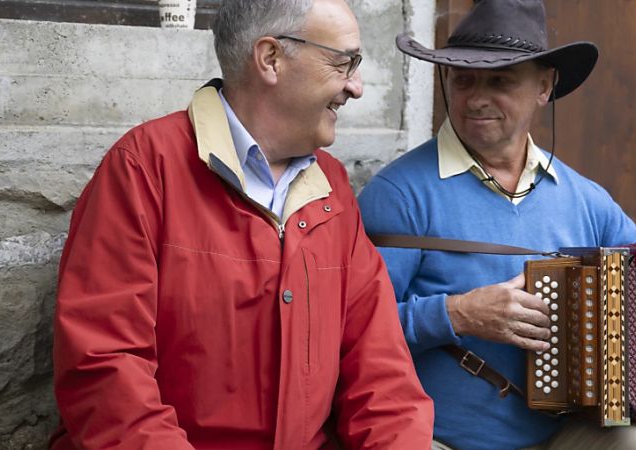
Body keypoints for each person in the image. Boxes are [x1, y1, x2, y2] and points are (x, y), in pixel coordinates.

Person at [358, 0, 636, 449]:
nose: (476, 98)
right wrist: (458, 314)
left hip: (562, 437)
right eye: (463, 79)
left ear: (544, 86)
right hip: (438, 439)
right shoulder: (399, 193)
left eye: (500, 81)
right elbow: (351, 332)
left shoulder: (585, 200)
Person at [50, 0, 433, 448]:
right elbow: (105, 372)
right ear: (270, 58)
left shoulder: (332, 186)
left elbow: (382, 372)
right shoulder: (143, 169)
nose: (357, 87)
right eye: (344, 62)